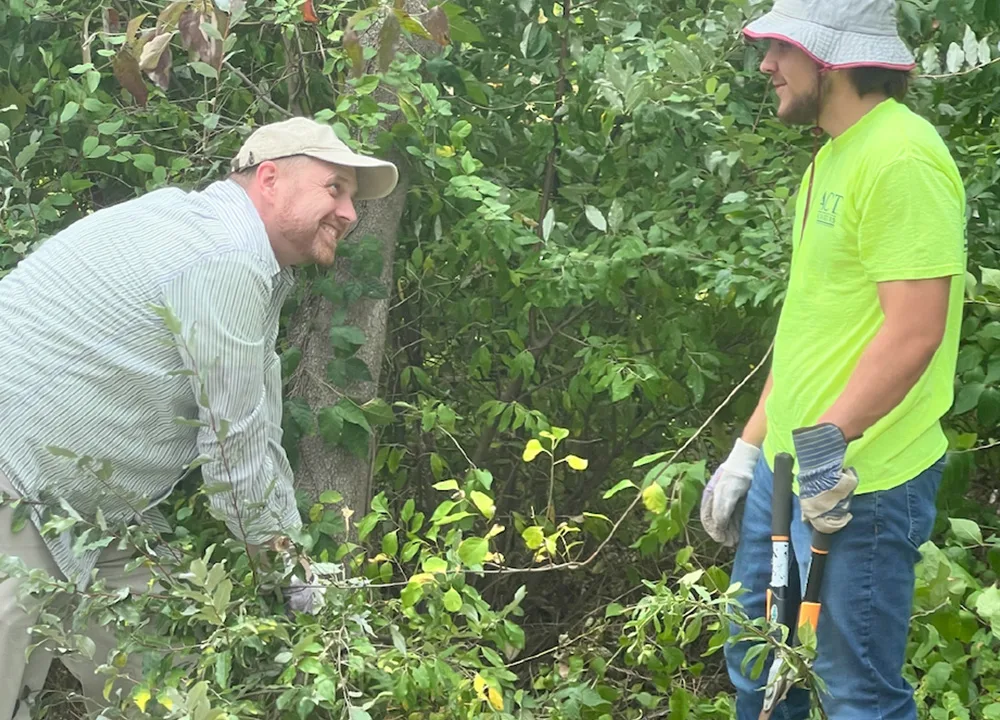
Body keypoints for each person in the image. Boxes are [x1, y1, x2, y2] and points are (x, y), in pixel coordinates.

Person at [0, 116, 399, 718]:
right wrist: (299, 589)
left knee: (163, 689)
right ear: (269, 178)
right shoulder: (227, 258)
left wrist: (299, 572)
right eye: (334, 189)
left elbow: (257, 433)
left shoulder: (234, 250)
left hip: (96, 512)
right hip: (15, 487)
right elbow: (234, 460)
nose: (349, 214)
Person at [699, 1, 967, 719]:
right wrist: (747, 451)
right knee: (758, 667)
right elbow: (809, 330)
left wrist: (828, 443)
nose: (766, 65)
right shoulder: (829, 158)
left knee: (856, 694)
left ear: (835, 58)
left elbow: (915, 332)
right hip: (789, 475)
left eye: (783, 48)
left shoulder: (902, 157)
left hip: (865, 482)